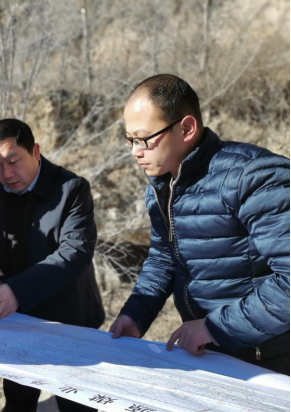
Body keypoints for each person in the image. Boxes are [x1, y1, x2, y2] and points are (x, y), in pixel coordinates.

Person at [110, 74, 290, 376]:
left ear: (187, 128)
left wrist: (214, 328)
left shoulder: (255, 177)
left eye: (143, 139)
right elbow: (164, 259)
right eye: (130, 139)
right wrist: (136, 315)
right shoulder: (161, 186)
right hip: (209, 352)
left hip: (269, 358)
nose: (135, 151)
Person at [0, 119, 106, 412]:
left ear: (35, 151)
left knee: (77, 405)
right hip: (18, 321)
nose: (6, 173)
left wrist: (18, 290)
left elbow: (75, 252)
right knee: (18, 401)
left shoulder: (71, 189)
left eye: (13, 161)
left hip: (70, 320)